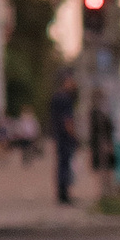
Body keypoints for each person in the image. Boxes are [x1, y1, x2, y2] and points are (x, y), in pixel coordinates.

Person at [48, 72, 80, 206]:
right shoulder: (65, 99)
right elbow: (68, 121)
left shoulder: (56, 97)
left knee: (62, 164)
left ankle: (62, 193)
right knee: (65, 165)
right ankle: (64, 195)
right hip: (65, 137)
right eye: (70, 81)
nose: (73, 84)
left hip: (59, 136)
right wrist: (73, 135)